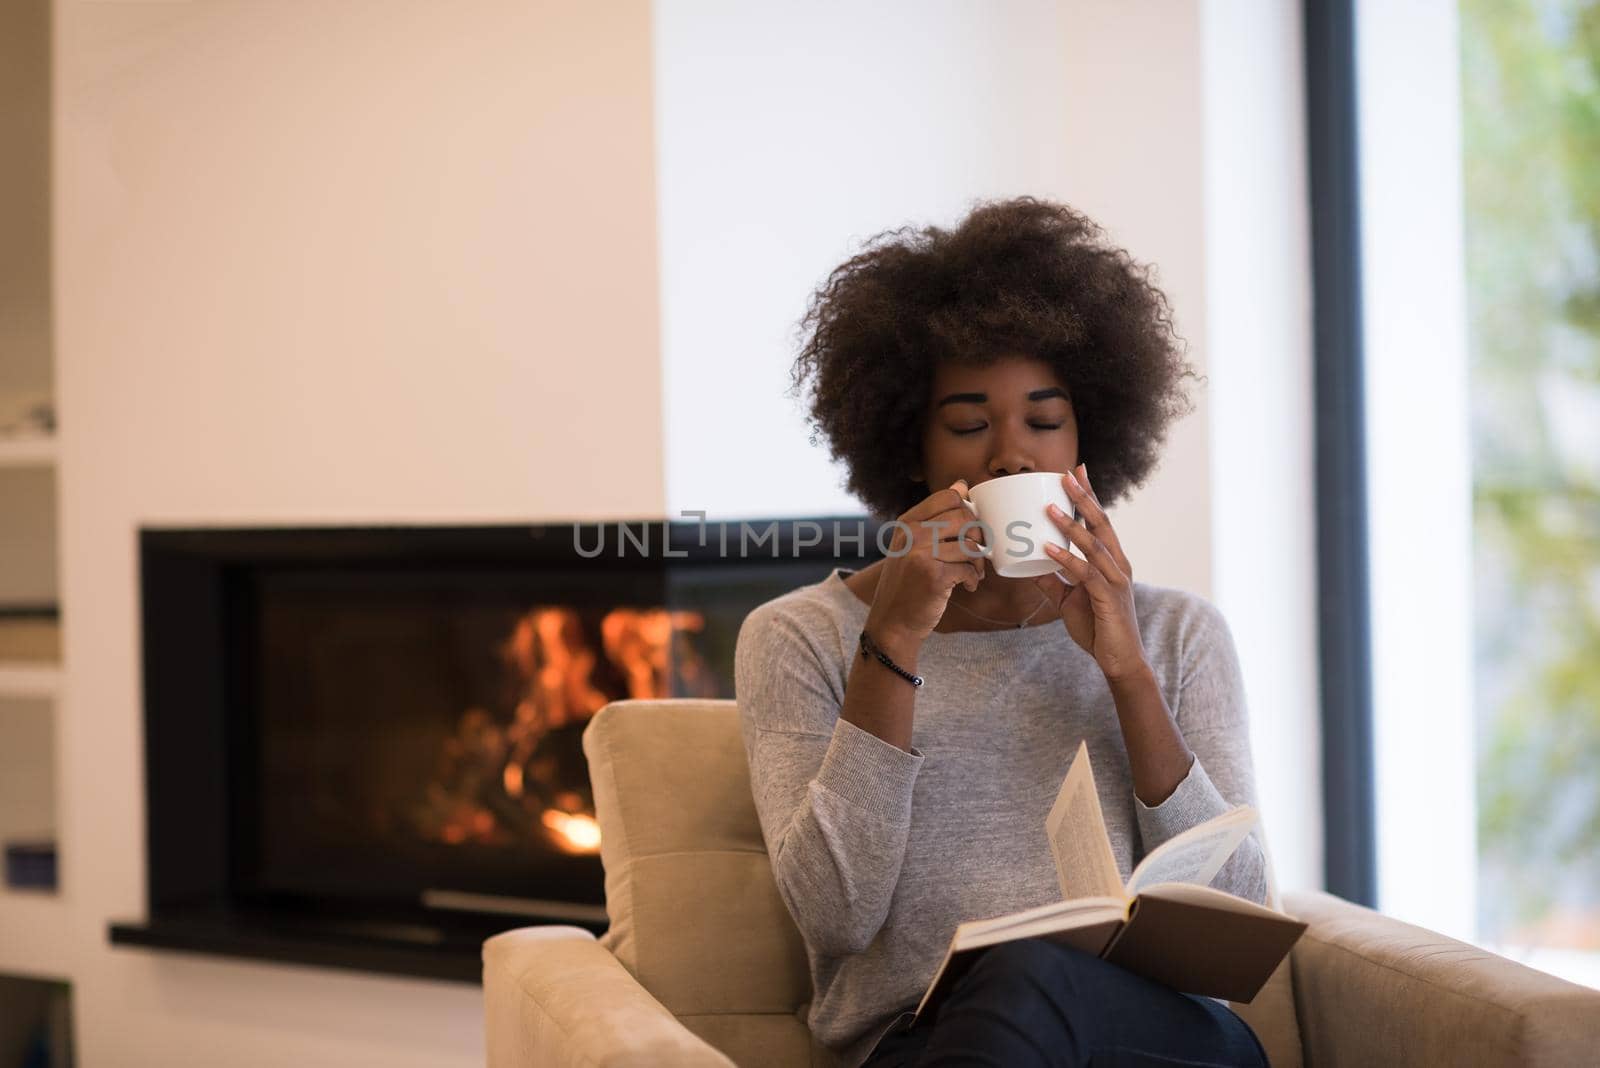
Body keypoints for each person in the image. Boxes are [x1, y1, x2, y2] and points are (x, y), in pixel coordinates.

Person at [732, 197, 1273, 1068]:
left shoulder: (1178, 634)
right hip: (923, 1044)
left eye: (1045, 422)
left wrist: (1127, 671)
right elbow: (836, 916)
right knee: (1018, 983)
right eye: (969, 425)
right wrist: (896, 638)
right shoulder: (801, 637)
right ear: (911, 448)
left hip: (1151, 1041)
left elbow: (1241, 909)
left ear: (1088, 442)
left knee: (1036, 977)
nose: (1011, 457)